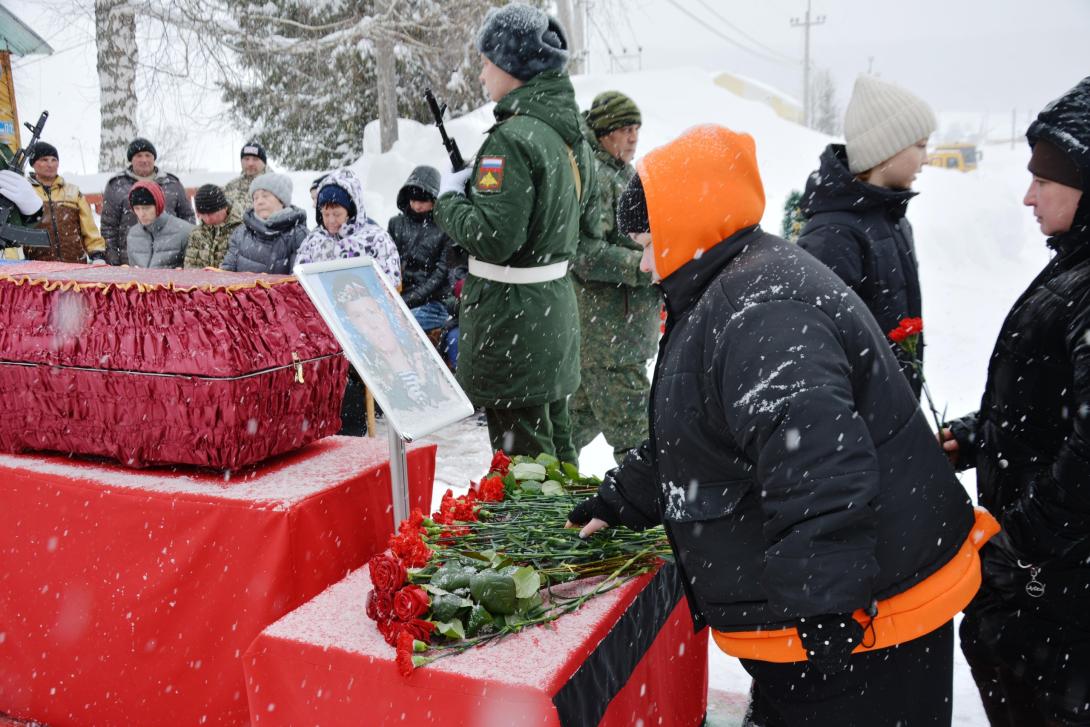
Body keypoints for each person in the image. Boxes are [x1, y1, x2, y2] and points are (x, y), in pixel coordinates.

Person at [565, 125, 995, 726]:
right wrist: (623, 497)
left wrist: (826, 612)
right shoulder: (730, 283)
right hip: (831, 623)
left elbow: (820, 463)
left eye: (646, 241)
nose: (641, 261)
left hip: (867, 628)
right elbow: (702, 436)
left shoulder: (760, 309)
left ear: (689, 228)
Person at [943, 76, 1090, 726]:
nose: (1028, 194)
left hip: (1059, 604)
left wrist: (1016, 546)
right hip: (1044, 594)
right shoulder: (1074, 264)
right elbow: (1058, 402)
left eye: (1045, 178)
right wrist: (981, 436)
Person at [434, 2, 599, 463]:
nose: (482, 71)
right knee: (557, 449)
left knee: (523, 466)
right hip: (551, 315)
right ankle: (569, 533)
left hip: (513, 326)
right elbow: (581, 224)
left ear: (513, 66)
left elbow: (494, 238)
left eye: (488, 60)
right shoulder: (569, 135)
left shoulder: (510, 139)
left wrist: (449, 199)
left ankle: (536, 538)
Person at [796, 75, 935, 397]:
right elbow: (818, 345)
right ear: (885, 150)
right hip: (863, 415)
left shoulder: (892, 218)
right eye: (920, 145)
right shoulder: (835, 233)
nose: (926, 158)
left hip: (892, 404)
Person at [569, 91, 659, 465]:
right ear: (605, 132)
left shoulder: (623, 172)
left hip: (615, 336)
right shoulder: (593, 177)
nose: (634, 137)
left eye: (637, 128)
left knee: (567, 430)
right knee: (640, 443)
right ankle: (651, 514)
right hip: (610, 340)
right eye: (625, 128)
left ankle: (534, 488)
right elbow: (581, 252)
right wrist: (640, 266)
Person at [296, 169, 401, 285]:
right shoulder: (313, 241)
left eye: (337, 214)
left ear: (351, 212)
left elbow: (391, 284)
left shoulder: (376, 240)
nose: (331, 220)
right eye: (325, 214)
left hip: (365, 302)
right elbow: (299, 280)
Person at [100, 137, 195, 265]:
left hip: (169, 258)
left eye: (148, 155)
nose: (144, 160)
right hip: (130, 258)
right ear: (131, 160)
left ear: (153, 158)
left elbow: (187, 217)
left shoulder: (172, 183)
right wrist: (114, 261)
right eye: (139, 156)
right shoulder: (117, 185)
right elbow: (109, 227)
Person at [387, 165, 451, 332]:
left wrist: (410, 299)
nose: (417, 205)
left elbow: (440, 275)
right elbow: (388, 261)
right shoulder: (396, 224)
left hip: (433, 303)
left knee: (401, 326)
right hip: (398, 296)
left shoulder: (444, 230)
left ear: (434, 200)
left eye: (422, 200)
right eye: (413, 199)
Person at [23, 142, 106, 263]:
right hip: (37, 267)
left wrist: (97, 254)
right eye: (44, 160)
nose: (50, 164)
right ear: (33, 164)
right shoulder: (25, 191)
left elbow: (89, 228)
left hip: (75, 264)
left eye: (54, 159)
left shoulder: (73, 192)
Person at [221, 172, 307, 274]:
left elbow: (298, 281)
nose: (259, 201)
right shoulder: (240, 233)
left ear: (282, 201)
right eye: (255, 198)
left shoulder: (298, 235)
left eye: (265, 196)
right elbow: (226, 273)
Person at [125, 180, 195, 269]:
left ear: (158, 205)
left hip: (172, 282)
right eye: (137, 208)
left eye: (146, 208)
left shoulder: (185, 232)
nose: (141, 214)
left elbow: (194, 274)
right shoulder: (133, 234)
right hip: (142, 282)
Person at [184, 184, 243, 269]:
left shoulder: (241, 230)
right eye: (203, 214)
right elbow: (190, 265)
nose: (208, 219)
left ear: (225, 208)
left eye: (212, 213)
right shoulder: (196, 234)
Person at [223, 141, 267, 213]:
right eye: (246, 159)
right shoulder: (231, 186)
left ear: (264, 162)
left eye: (255, 159)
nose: (250, 163)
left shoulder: (274, 185)